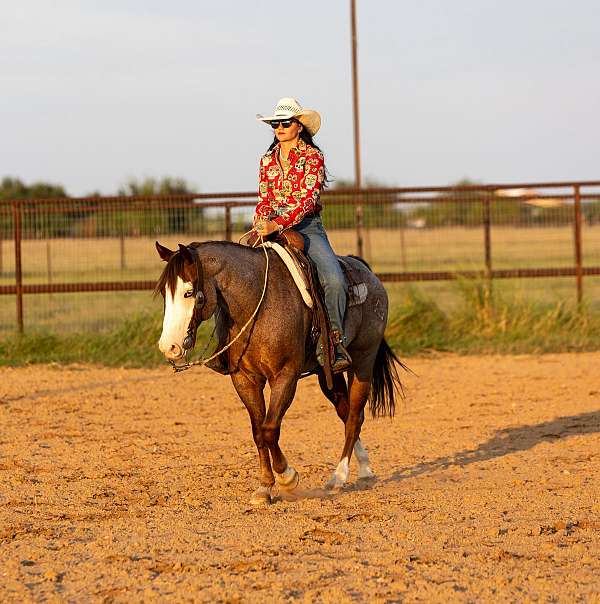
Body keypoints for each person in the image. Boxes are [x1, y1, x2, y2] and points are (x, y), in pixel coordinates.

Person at [253, 97, 351, 372]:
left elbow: (307, 200)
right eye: (275, 124)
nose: (279, 128)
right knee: (241, 269)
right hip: (271, 224)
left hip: (306, 227)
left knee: (333, 278)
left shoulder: (312, 157)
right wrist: (262, 216)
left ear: (299, 127)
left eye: (285, 123)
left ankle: (334, 342)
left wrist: (278, 224)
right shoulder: (267, 160)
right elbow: (265, 197)